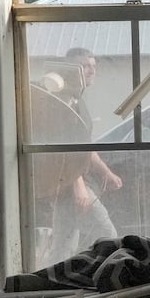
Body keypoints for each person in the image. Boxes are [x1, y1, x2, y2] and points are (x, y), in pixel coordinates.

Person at [42, 46, 123, 262]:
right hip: (70, 183)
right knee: (107, 235)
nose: (90, 70)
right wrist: (78, 186)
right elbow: (65, 147)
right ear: (70, 69)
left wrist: (106, 173)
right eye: (84, 66)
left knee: (64, 243)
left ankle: (54, 287)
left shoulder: (77, 100)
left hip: (74, 181)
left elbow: (84, 146)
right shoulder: (62, 102)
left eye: (93, 66)